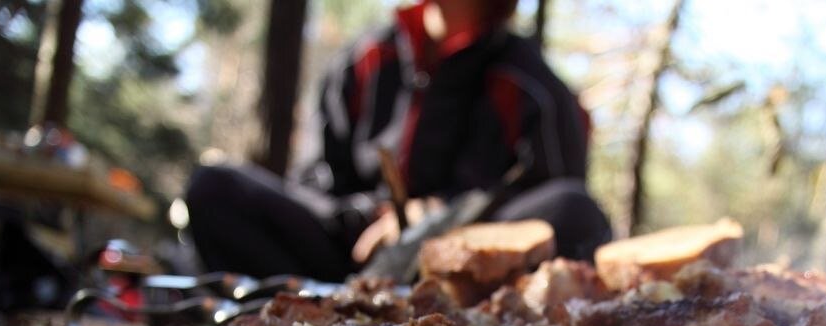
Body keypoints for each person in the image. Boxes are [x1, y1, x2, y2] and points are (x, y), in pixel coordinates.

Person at [186, 0, 611, 282]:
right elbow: (313, 181)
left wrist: (441, 217)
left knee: (574, 210)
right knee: (214, 188)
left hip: (460, 271)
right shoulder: (367, 58)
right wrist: (373, 215)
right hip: (348, 257)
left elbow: (548, 205)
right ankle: (310, 319)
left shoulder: (531, 86)